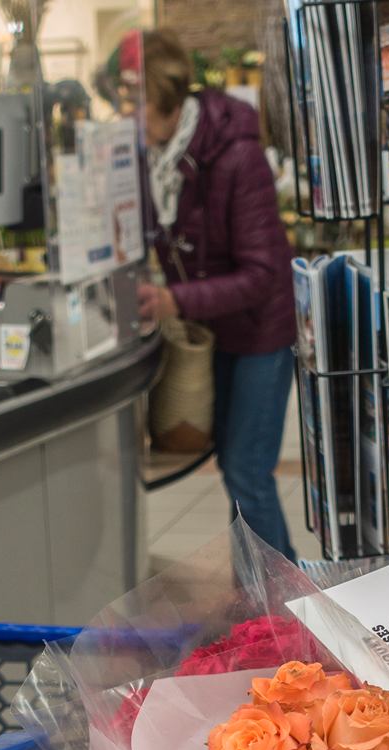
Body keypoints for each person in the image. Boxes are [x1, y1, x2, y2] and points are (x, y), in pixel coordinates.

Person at [135, 30, 297, 561]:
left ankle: (285, 612)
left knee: (247, 470)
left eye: (132, 100)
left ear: (162, 97)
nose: (125, 116)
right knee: (234, 465)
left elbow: (262, 275)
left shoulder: (235, 156)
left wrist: (175, 302)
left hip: (260, 330)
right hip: (222, 328)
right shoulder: (159, 158)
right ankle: (257, 603)